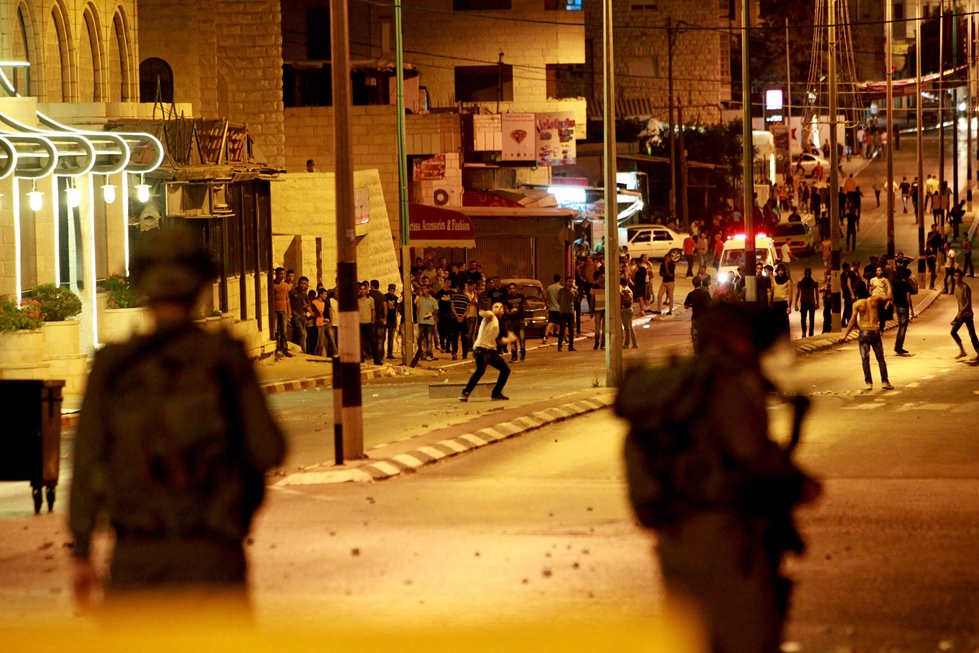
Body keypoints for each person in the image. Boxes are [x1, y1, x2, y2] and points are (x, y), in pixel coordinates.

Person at [69, 228, 286, 606]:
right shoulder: (224, 361)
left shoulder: (114, 367)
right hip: (212, 557)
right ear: (202, 283)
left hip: (138, 562)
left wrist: (83, 551)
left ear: (141, 286)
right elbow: (268, 449)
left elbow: (86, 462)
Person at [617, 303, 820, 653]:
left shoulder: (676, 386)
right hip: (725, 535)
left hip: (674, 536)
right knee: (745, 637)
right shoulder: (724, 384)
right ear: (735, 339)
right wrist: (799, 483)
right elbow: (753, 454)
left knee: (695, 637)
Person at [459, 302, 517, 402]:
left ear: (503, 310)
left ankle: (496, 393)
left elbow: (501, 341)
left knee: (505, 370)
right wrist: (484, 313)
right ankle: (465, 392)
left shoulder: (500, 323)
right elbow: (482, 313)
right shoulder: (491, 316)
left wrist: (510, 339)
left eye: (501, 307)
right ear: (492, 309)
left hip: (491, 351)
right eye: (496, 307)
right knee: (480, 371)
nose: (499, 308)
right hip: (481, 349)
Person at [840, 285, 894, 391]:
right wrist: (888, 284)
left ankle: (868, 383)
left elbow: (852, 321)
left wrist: (845, 335)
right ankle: (885, 382)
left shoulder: (857, 304)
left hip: (864, 331)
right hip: (874, 330)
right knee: (880, 358)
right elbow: (889, 296)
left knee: (865, 359)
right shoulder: (874, 299)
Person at [951, 269, 979, 361]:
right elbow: (959, 302)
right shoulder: (956, 287)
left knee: (972, 334)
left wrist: (960, 313)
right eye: (956, 276)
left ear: (962, 276)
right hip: (961, 314)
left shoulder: (965, 287)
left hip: (967, 314)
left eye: (959, 276)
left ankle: (978, 352)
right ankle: (962, 351)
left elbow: (968, 303)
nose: (957, 277)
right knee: (953, 332)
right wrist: (957, 314)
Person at [682, 275, 711, 352]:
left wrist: (692, 305)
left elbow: (685, 306)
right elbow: (711, 304)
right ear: (700, 283)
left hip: (695, 317)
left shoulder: (691, 294)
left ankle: (697, 354)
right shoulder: (706, 293)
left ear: (693, 284)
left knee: (695, 338)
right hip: (705, 318)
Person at [892, 268, 914, 355]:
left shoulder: (896, 284)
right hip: (904, 307)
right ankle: (898, 347)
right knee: (903, 327)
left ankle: (898, 346)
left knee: (900, 326)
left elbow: (893, 295)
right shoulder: (907, 285)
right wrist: (911, 309)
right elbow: (908, 298)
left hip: (897, 306)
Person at [503, 282, 526, 362]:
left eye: (513, 288)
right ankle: (514, 355)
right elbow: (505, 309)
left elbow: (526, 305)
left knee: (522, 338)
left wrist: (522, 311)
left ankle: (523, 353)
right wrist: (509, 313)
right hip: (511, 320)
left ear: (516, 289)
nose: (512, 290)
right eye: (510, 288)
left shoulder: (520, 296)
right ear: (509, 290)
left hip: (520, 320)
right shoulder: (507, 298)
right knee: (512, 339)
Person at [271, 267, 292, 358]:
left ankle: (285, 348)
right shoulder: (272, 284)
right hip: (275, 310)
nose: (282, 276)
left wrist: (289, 311)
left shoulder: (286, 286)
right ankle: (277, 348)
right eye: (280, 274)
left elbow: (287, 299)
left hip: (283, 310)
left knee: (284, 330)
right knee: (275, 330)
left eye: (283, 274)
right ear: (276, 274)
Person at [415, 285, 439, 361]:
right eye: (422, 289)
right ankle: (421, 353)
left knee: (429, 339)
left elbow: (436, 311)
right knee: (420, 339)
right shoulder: (418, 299)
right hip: (420, 321)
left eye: (425, 289)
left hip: (429, 322)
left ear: (428, 290)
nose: (423, 290)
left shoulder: (433, 300)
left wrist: (431, 313)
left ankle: (429, 354)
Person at [794, 267, 819, 338]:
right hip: (806, 302)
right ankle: (806, 332)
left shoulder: (813, 282)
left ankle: (809, 333)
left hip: (810, 302)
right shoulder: (801, 282)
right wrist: (795, 303)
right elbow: (798, 293)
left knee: (808, 319)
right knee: (806, 319)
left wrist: (817, 303)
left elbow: (816, 293)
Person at [289, 275, 310, 353]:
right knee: (301, 333)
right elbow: (287, 302)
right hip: (295, 316)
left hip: (302, 317)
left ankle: (298, 349)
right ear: (298, 283)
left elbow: (308, 303)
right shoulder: (293, 292)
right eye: (301, 283)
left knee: (302, 334)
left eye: (305, 284)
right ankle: (300, 349)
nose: (303, 285)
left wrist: (304, 306)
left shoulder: (304, 294)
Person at [556, 276, 577, 352]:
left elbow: (576, 301)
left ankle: (571, 346)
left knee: (571, 330)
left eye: (572, 281)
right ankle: (559, 346)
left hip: (570, 312)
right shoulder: (561, 291)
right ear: (565, 282)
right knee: (562, 330)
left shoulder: (574, 291)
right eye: (569, 281)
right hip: (563, 312)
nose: (570, 283)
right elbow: (558, 300)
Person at [771, 264, 793, 334]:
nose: (780, 272)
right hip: (775, 303)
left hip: (783, 303)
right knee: (775, 322)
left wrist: (789, 306)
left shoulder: (788, 280)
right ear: (777, 271)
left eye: (782, 270)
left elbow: (790, 294)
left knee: (784, 322)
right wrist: (770, 303)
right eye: (779, 270)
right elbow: (771, 292)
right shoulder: (773, 279)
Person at [543, 273, 562, 344]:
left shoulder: (549, 288)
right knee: (561, 324)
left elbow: (546, 298)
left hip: (551, 308)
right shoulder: (561, 288)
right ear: (560, 279)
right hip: (559, 308)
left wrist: (547, 304)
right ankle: (564, 337)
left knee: (550, 323)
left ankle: (545, 336)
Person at [620, 277, 638, 349]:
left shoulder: (626, 290)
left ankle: (627, 344)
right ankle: (634, 343)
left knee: (627, 328)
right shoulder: (627, 289)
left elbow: (628, 298)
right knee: (630, 327)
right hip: (629, 310)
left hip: (626, 310)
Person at [384, 283, 400, 359]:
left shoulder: (396, 298)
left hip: (392, 319)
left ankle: (390, 353)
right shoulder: (385, 297)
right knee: (383, 337)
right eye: (391, 290)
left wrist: (396, 319)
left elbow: (397, 309)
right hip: (386, 318)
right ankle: (382, 352)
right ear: (388, 290)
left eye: (393, 290)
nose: (392, 291)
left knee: (391, 337)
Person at [590, 275, 606, 350]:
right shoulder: (607, 287)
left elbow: (592, 300)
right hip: (605, 309)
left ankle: (596, 342)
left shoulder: (593, 287)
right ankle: (603, 344)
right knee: (604, 328)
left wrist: (591, 311)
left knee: (597, 327)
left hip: (597, 309)